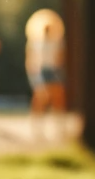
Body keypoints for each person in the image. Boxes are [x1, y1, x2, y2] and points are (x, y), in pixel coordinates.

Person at [25, 9, 66, 140]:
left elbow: (60, 57)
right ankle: (37, 127)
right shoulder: (35, 42)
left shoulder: (57, 41)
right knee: (40, 99)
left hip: (53, 70)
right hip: (41, 71)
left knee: (57, 99)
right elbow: (31, 59)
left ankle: (58, 127)